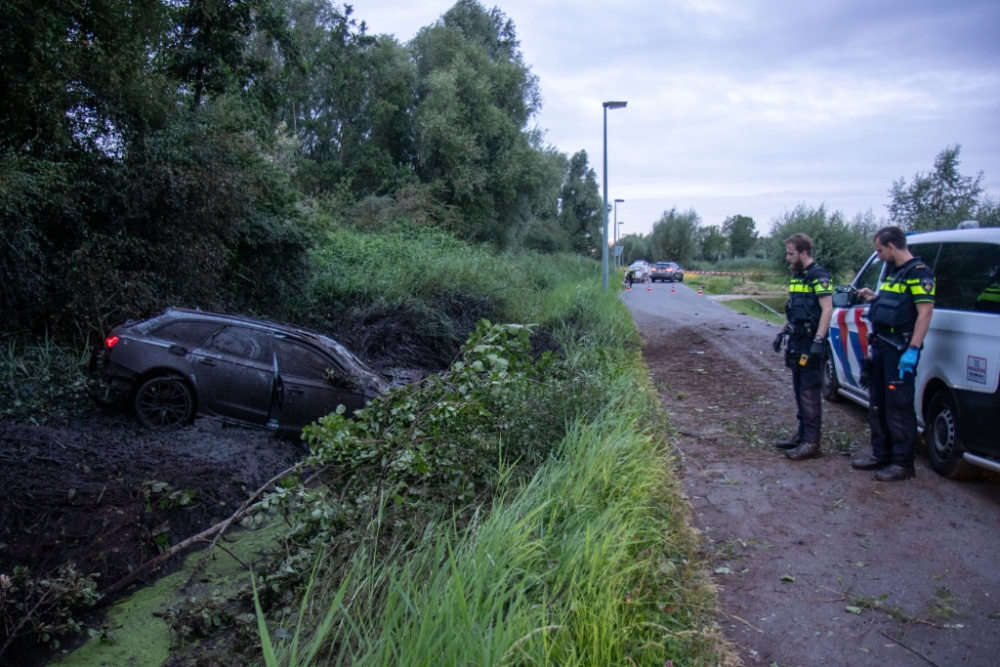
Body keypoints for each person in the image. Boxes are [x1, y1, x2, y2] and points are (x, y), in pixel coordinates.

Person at [851, 226, 935, 482]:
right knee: (878, 404)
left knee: (898, 407)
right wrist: (874, 298)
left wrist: (913, 349)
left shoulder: (918, 273)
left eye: (878, 250)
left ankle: (902, 464)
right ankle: (881, 454)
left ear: (891, 246)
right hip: (882, 346)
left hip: (900, 350)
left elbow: (925, 312)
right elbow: (897, 304)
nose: (877, 256)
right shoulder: (893, 273)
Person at [772, 233, 833, 460]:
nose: (788, 258)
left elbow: (827, 309)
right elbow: (794, 310)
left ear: (803, 253)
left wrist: (818, 340)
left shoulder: (819, 275)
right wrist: (780, 333)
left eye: (790, 253)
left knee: (809, 390)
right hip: (796, 340)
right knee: (799, 388)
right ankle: (801, 435)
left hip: (811, 341)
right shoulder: (797, 276)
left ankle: (811, 442)